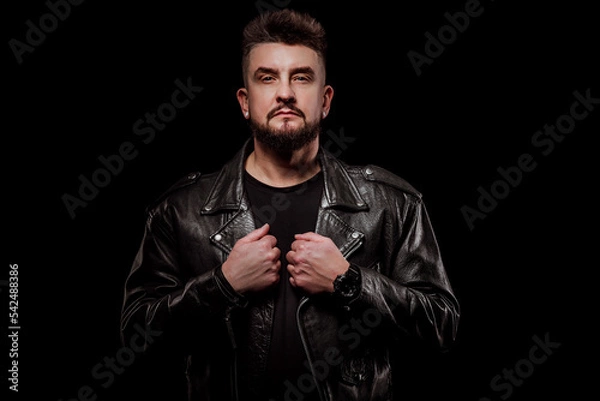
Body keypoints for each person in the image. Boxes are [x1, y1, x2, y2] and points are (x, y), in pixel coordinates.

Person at [120, 8, 460, 401]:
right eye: (268, 78)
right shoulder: (180, 209)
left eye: (301, 77)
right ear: (245, 102)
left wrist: (350, 282)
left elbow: (443, 326)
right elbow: (135, 335)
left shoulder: (391, 203)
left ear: (326, 99)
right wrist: (222, 285)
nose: (285, 92)